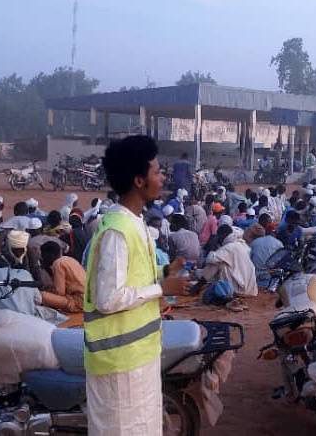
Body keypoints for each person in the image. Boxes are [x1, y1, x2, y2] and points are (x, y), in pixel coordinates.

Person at [82, 135, 188, 435]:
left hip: (138, 358)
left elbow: (133, 275)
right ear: (140, 181)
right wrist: (161, 289)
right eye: (157, 172)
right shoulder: (118, 230)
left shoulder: (134, 222)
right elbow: (108, 298)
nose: (163, 176)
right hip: (119, 366)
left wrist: (165, 270)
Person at [199, 225, 258, 297]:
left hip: (239, 289)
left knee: (216, 263)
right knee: (220, 261)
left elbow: (210, 259)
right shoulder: (242, 244)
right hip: (250, 289)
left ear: (222, 236)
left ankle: (198, 285)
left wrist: (213, 247)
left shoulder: (229, 247)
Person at [39, 241, 86, 313]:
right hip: (88, 299)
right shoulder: (69, 259)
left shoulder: (57, 264)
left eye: (43, 256)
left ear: (50, 255)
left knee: (41, 295)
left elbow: (60, 292)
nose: (42, 258)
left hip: (79, 302)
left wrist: (46, 268)